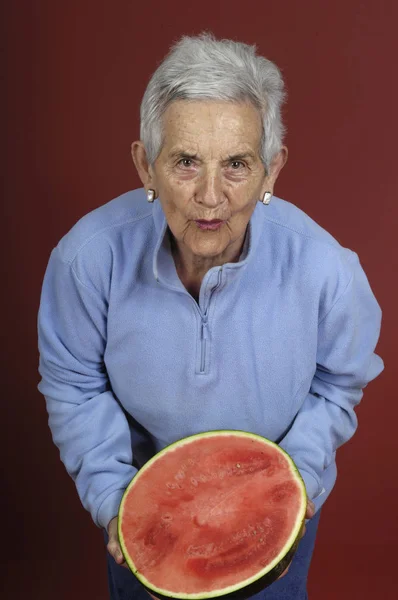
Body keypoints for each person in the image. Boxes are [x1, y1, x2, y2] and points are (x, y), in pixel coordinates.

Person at [37, 32, 383, 600]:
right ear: (146, 167)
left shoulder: (328, 269)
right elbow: (74, 383)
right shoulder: (85, 261)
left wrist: (291, 481)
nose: (211, 196)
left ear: (272, 171)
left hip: (275, 508)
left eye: (238, 164)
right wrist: (115, 498)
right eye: (186, 162)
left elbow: (339, 384)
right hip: (143, 503)